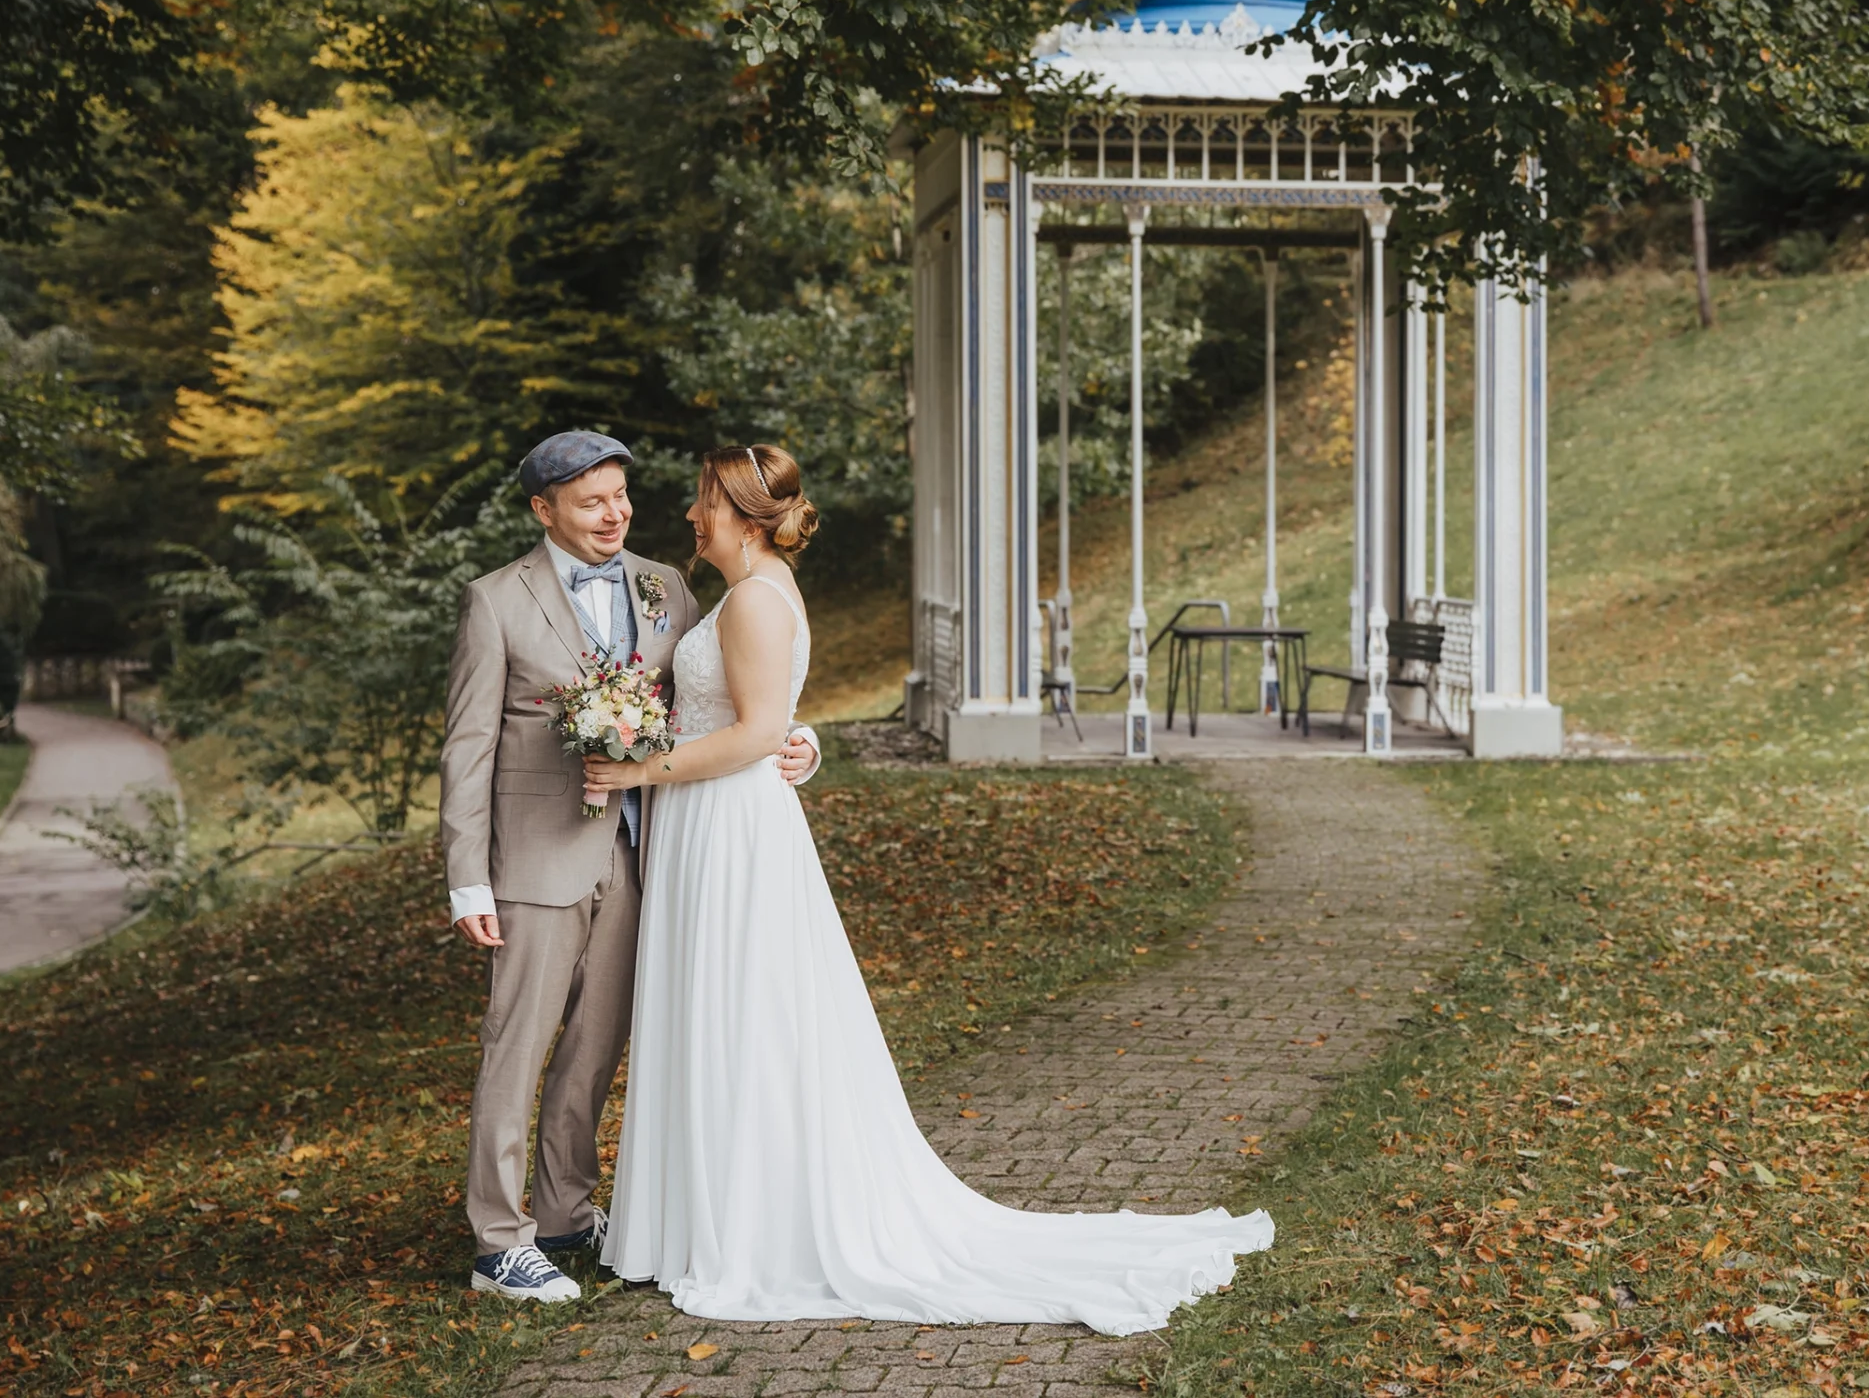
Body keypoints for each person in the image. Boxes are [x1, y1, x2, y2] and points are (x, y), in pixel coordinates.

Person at [591, 444, 1271, 1330]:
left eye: (705, 501)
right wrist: (784, 745)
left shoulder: (756, 599)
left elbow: (760, 733)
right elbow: (776, 724)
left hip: (729, 825)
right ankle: (696, 1215)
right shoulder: (743, 596)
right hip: (707, 821)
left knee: (744, 1015)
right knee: (720, 1010)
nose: (690, 514)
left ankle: (748, 1226)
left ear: (748, 514)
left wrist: (638, 769)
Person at [439, 431, 823, 1303]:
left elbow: (724, 692)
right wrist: (469, 877)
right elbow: (466, 750)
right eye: (590, 502)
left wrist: (797, 736)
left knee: (597, 1047)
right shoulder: (495, 602)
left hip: (651, 851)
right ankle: (499, 1241)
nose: (614, 514)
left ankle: (566, 1214)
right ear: (544, 510)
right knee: (518, 1047)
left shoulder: (667, 586)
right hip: (535, 862)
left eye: (620, 496)